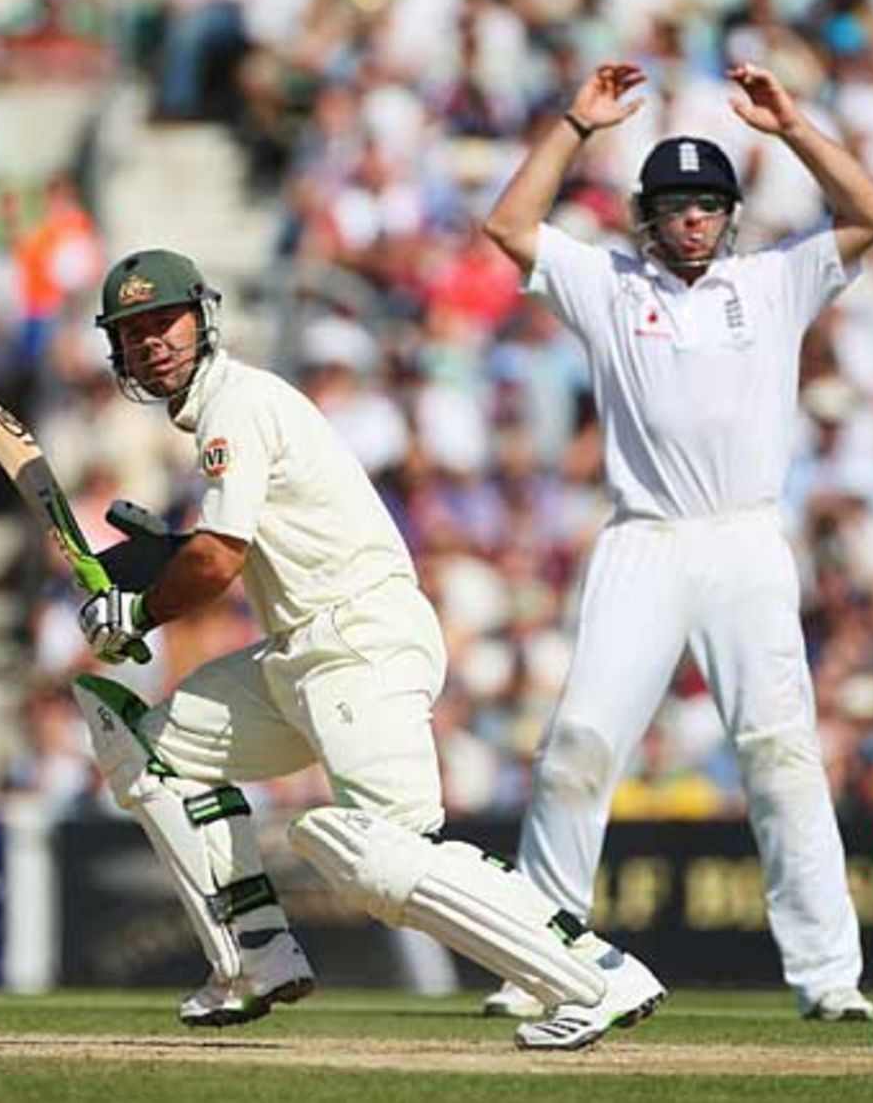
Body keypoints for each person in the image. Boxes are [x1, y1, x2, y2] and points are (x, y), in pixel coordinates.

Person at [72, 248, 666, 1049]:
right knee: (152, 751)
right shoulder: (230, 411)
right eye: (132, 332)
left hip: (357, 642)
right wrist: (155, 568)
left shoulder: (237, 405)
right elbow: (233, 544)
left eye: (162, 322)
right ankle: (254, 958)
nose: (151, 343)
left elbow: (218, 560)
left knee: (376, 852)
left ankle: (594, 976)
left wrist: (138, 611)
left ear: (203, 319)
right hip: (299, 655)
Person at [481, 61, 873, 1021]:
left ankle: (830, 978)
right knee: (579, 742)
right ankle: (539, 960)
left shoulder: (775, 280)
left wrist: (793, 125)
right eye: (675, 206)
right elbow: (507, 227)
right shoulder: (608, 286)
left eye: (709, 204)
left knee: (781, 751)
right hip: (646, 541)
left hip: (745, 541)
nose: (694, 220)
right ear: (647, 216)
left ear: (731, 213)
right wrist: (575, 124)